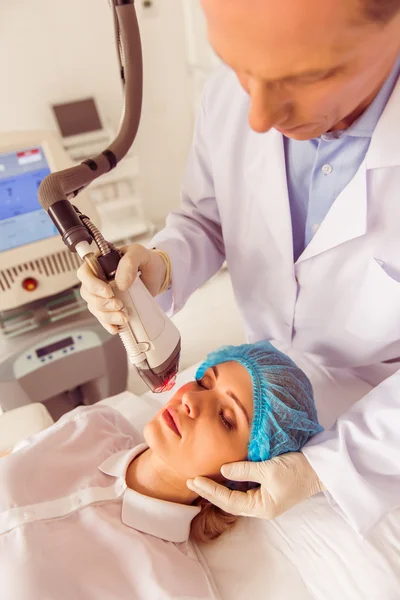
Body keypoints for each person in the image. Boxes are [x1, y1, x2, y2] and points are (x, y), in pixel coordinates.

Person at [77, 0, 400, 536]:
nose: (259, 117)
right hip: (259, 363)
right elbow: (208, 213)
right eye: (239, 67)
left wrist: (329, 467)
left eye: (303, 75)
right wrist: (162, 265)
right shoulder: (234, 97)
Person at [0, 341, 321, 599]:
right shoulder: (97, 424)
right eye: (203, 381)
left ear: (247, 474)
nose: (191, 401)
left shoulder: (172, 586)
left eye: (226, 418)